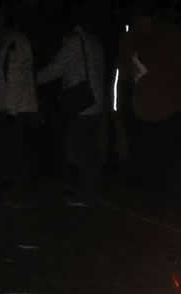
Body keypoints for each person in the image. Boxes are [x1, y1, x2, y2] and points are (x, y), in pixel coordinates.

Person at [117, 1, 181, 212]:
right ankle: (159, 205)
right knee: (157, 163)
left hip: (162, 111)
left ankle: (159, 205)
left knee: (160, 163)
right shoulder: (136, 38)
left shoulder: (165, 38)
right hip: (151, 111)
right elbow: (125, 75)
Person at [37, 9, 106, 208]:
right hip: (95, 101)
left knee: (77, 150)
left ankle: (86, 194)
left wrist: (32, 80)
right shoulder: (95, 41)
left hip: (80, 104)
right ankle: (90, 191)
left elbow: (56, 68)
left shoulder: (74, 42)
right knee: (88, 149)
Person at [0, 2, 39, 205]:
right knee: (10, 152)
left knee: (15, 152)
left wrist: (12, 109)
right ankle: (14, 195)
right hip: (6, 106)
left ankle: (18, 197)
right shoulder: (2, 43)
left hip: (15, 108)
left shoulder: (17, 41)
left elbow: (20, 77)